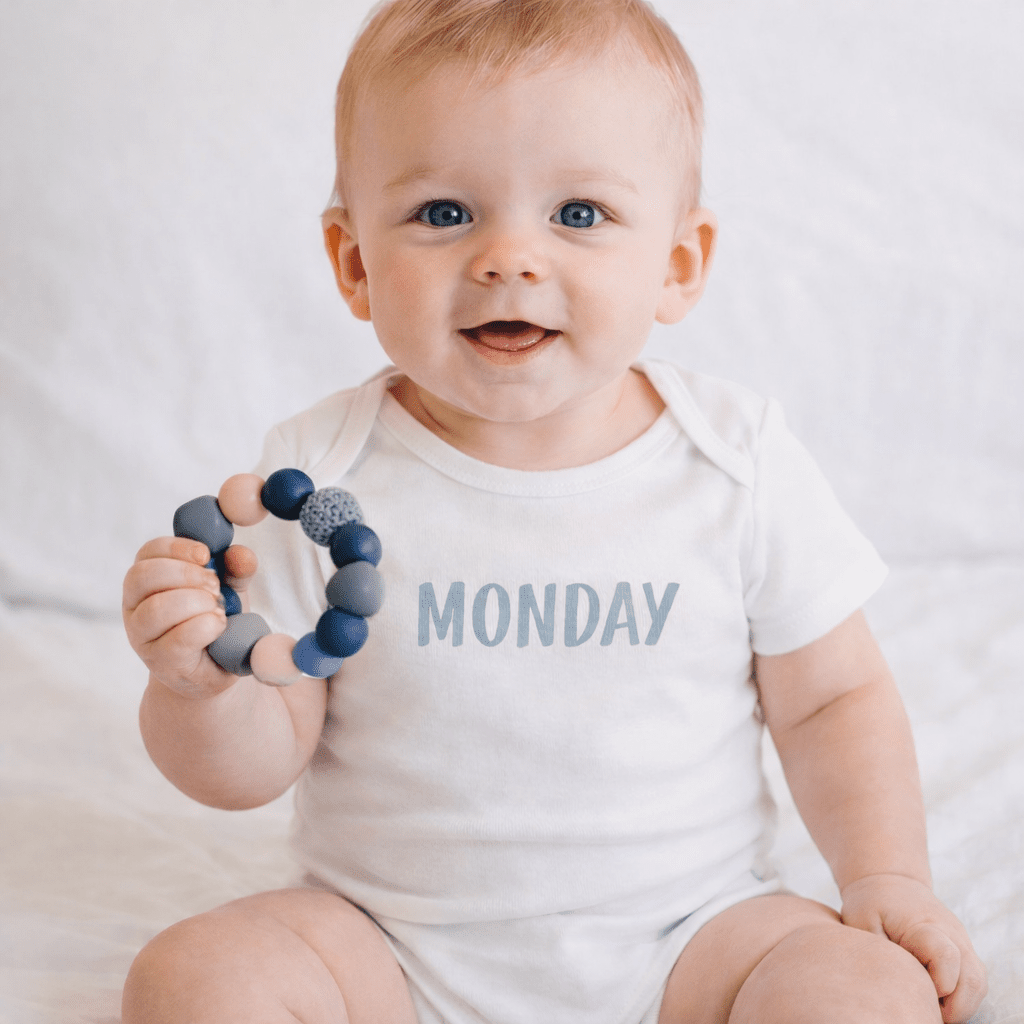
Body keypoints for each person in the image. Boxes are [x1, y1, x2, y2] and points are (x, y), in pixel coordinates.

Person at [120, 2, 988, 1021]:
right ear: (354, 262)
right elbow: (256, 760)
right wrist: (198, 688)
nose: (508, 258)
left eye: (577, 214)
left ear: (677, 263)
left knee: (860, 992)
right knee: (189, 981)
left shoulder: (734, 463)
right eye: (445, 212)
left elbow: (832, 700)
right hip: (386, 941)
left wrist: (885, 878)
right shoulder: (323, 478)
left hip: (693, 936)